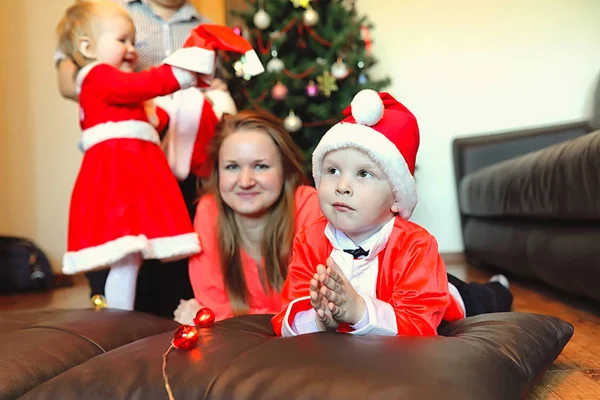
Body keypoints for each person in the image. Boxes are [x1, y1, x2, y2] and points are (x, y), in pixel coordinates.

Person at [272, 89, 512, 336]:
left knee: (482, 299)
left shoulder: (417, 246)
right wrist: (319, 319)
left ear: (397, 198)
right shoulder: (308, 240)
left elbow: (419, 324)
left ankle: (498, 286)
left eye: (363, 174)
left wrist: (358, 310)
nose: (342, 186)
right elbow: (289, 309)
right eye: (332, 171)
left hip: (440, 293)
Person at [53, 0, 220, 316]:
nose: (132, 49)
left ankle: (127, 315)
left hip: (138, 170)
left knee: (135, 253)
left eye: (133, 40)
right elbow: (142, 85)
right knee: (126, 251)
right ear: (87, 47)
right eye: (122, 41)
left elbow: (145, 109)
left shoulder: (110, 81)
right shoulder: (96, 75)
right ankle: (119, 317)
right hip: (121, 175)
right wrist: (181, 75)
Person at [174, 111, 323, 323]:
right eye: (232, 167)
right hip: (237, 351)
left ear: (285, 170)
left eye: (260, 166)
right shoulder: (209, 211)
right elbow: (212, 304)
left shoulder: (311, 206)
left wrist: (217, 318)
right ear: (217, 173)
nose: (245, 181)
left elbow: (310, 316)